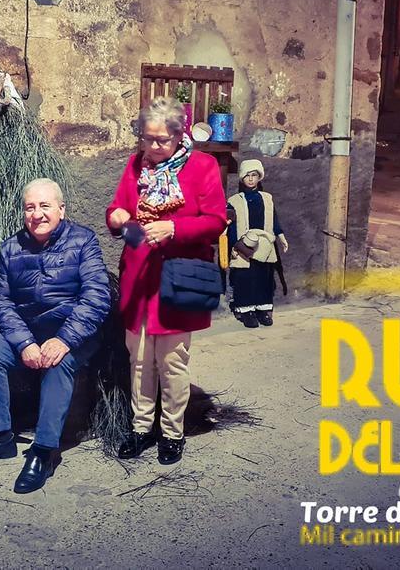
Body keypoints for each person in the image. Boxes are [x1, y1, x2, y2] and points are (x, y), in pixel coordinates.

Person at [0, 178, 110, 494]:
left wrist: (65, 339)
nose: (37, 214)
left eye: (45, 206)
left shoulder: (83, 241)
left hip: (74, 335)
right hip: (28, 334)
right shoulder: (11, 248)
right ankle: (0, 437)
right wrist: (25, 342)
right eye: (30, 207)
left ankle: (44, 451)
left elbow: (96, 297)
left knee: (58, 363)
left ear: (61, 209)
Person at [106, 98, 227, 465]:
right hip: (139, 279)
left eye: (162, 140)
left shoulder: (202, 166)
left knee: (172, 362)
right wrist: (119, 218)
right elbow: (115, 211)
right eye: (148, 139)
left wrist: (174, 228)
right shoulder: (135, 165)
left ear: (179, 135)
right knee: (139, 360)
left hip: (176, 280)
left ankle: (172, 432)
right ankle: (142, 428)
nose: (154, 147)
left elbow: (217, 220)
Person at [226, 159, 288, 328]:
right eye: (247, 175)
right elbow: (230, 225)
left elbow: (274, 220)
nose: (251, 179)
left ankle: (262, 310)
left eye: (254, 175)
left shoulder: (267, 199)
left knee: (263, 277)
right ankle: (246, 311)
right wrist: (234, 246)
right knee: (244, 277)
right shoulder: (234, 200)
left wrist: (280, 236)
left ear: (259, 177)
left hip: (264, 244)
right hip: (244, 245)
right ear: (242, 178)